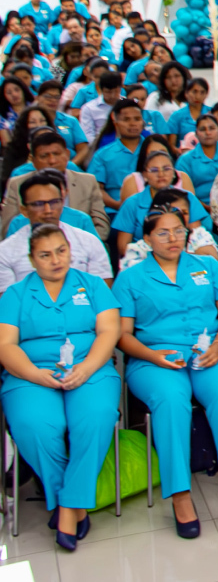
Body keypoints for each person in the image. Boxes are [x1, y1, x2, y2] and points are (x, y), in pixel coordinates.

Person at [114, 205, 218, 537]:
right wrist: (151, 355)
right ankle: (180, 495)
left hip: (210, 350)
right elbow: (121, 335)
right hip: (155, 358)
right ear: (147, 238)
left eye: (179, 230)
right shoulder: (131, 278)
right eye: (162, 232)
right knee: (171, 400)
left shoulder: (207, 266)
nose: (173, 238)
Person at [0, 223, 122, 551]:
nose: (56, 260)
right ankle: (72, 501)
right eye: (45, 254)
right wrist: (33, 374)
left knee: (95, 417)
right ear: (31, 259)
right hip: (31, 373)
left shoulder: (93, 285)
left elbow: (109, 332)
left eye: (61, 251)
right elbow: (6, 345)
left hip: (90, 367)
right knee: (33, 425)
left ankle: (66, 508)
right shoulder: (15, 294)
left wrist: (85, 368)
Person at [0, 170, 112, 291]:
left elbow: (102, 292)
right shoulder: (6, 251)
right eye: (39, 204)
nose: (48, 210)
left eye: (54, 202)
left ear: (63, 203)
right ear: (24, 210)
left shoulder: (89, 241)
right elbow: (6, 302)